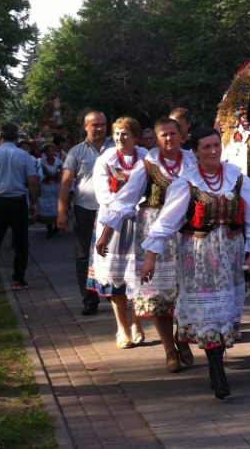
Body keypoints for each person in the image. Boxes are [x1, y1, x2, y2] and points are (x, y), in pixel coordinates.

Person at [141, 127, 250, 399]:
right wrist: (150, 257)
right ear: (195, 152)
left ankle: (216, 363)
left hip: (230, 254)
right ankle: (217, 370)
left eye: (216, 145)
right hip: (197, 256)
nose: (213, 151)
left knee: (224, 312)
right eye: (206, 147)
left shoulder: (237, 178)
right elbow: (166, 223)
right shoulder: (185, 182)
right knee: (208, 313)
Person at [97, 117, 197, 371]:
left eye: (173, 133)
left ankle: (181, 337)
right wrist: (106, 233)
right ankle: (168, 350)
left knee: (190, 291)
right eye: (163, 135)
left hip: (188, 231)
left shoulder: (191, 160)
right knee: (156, 295)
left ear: (180, 135)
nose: (169, 139)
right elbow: (125, 199)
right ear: (155, 138)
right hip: (154, 232)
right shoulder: (148, 164)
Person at [89, 117, 148, 349]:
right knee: (116, 276)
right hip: (113, 221)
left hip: (141, 221)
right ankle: (121, 328)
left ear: (135, 137)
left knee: (139, 275)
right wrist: (123, 208)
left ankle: (136, 322)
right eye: (117, 134)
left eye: (125, 134)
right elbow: (103, 194)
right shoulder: (105, 159)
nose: (120, 138)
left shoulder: (146, 157)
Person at [58, 111, 115, 316]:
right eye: (95, 125)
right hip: (85, 210)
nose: (99, 129)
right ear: (86, 127)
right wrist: (61, 211)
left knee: (113, 252)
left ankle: (112, 291)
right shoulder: (76, 152)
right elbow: (66, 183)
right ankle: (90, 299)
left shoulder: (116, 148)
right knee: (84, 256)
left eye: (102, 124)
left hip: (111, 211)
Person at [0, 123, 39, 292]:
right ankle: (18, 279)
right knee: (21, 242)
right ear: (17, 138)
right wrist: (34, 202)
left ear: (1, 137)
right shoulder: (24, 155)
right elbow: (32, 181)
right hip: (18, 201)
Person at [38, 142, 63, 238]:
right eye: (48, 151)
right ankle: (49, 229)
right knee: (46, 207)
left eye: (52, 150)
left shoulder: (58, 161)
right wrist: (44, 177)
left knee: (57, 206)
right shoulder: (41, 162)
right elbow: (39, 174)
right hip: (46, 188)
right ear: (45, 152)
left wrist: (59, 176)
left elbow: (64, 171)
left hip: (56, 187)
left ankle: (56, 227)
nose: (51, 152)